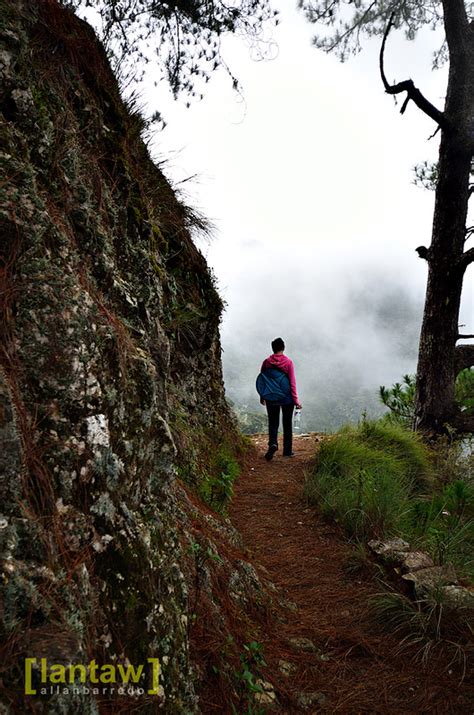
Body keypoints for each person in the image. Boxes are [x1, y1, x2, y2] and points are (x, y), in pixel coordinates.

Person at [259, 337, 302, 461]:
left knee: (273, 423)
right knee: (287, 424)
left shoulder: (266, 362)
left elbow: (263, 380)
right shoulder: (288, 362)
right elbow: (292, 383)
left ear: (273, 348)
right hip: (286, 398)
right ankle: (287, 451)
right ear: (283, 347)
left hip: (271, 397)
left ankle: (273, 443)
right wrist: (296, 400)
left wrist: (263, 396)